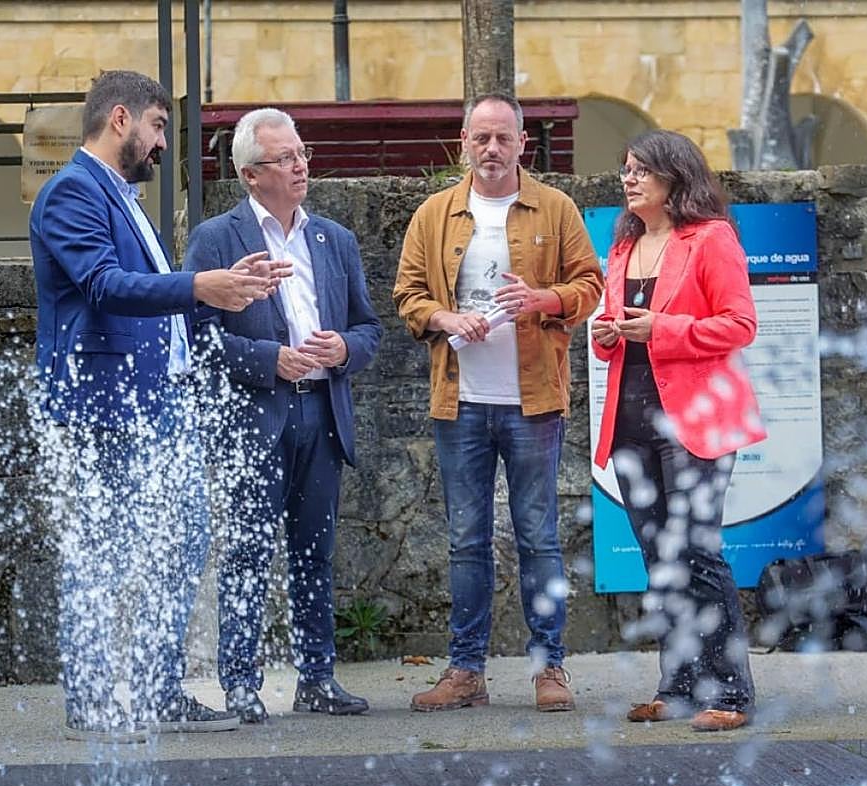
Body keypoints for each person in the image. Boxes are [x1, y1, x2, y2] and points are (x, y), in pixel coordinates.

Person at [30, 70, 286, 742]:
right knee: (99, 553)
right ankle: (89, 702)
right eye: (158, 127)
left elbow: (153, 292)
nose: (163, 144)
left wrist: (221, 294)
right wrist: (203, 283)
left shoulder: (121, 197)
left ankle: (157, 689)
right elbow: (106, 286)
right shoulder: (71, 195)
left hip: (159, 406)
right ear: (121, 118)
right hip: (103, 410)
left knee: (186, 541)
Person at [394, 93, 603, 713]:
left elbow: (590, 286)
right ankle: (465, 672)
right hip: (461, 402)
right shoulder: (435, 214)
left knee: (539, 536)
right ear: (463, 140)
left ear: (521, 144)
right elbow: (407, 295)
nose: (491, 149)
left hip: (533, 400)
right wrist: (445, 315)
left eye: (502, 138)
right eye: (480, 138)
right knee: (466, 539)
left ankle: (550, 669)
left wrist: (541, 300)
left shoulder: (556, 208)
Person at [183, 108, 382, 723]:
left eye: (302, 154)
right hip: (255, 420)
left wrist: (344, 349)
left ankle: (317, 679)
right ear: (250, 173)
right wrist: (272, 359)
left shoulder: (334, 239)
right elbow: (197, 339)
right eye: (286, 158)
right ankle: (239, 683)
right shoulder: (217, 239)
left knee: (314, 553)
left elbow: (370, 328)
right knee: (246, 552)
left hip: (323, 414)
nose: (300, 166)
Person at [591, 129, 766, 732]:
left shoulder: (711, 239)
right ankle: (680, 682)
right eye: (626, 168)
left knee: (697, 552)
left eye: (641, 169)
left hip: (693, 423)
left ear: (675, 177)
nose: (628, 179)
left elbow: (740, 324)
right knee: (659, 558)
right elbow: (619, 330)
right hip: (632, 420)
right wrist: (606, 335)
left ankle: (733, 694)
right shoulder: (623, 243)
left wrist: (661, 329)